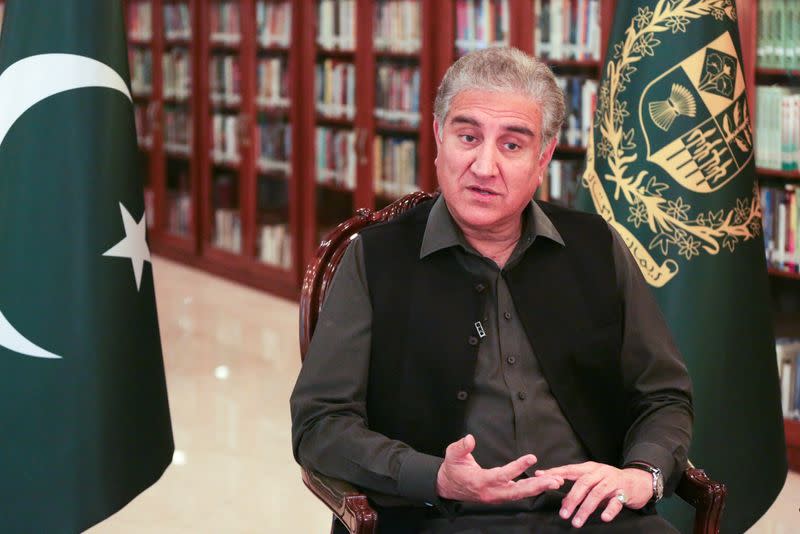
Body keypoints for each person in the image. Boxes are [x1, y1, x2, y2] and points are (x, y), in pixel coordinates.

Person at [291, 47, 692, 533]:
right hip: (437, 517)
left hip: (587, 516)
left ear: (543, 158)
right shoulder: (375, 259)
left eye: (512, 145)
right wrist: (433, 476)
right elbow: (320, 426)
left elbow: (663, 394)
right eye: (468, 136)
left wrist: (642, 474)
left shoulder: (595, 246)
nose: (483, 166)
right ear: (439, 139)